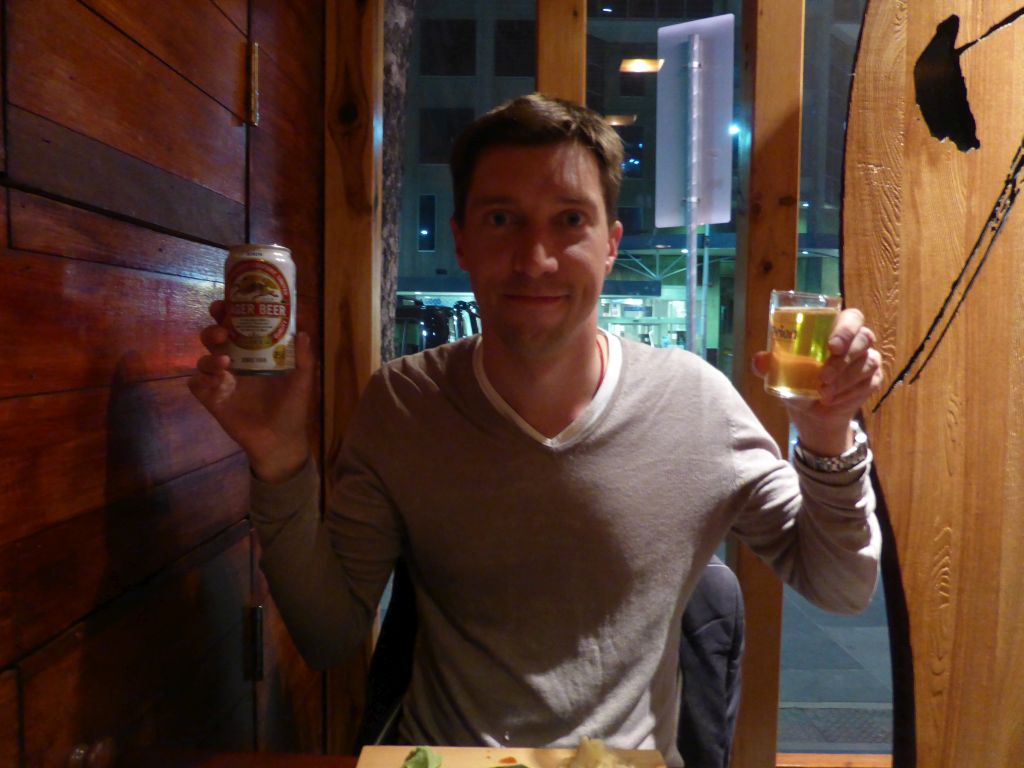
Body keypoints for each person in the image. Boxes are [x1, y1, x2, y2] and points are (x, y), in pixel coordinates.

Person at [189, 94, 883, 767]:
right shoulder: (403, 404)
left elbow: (840, 585)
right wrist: (279, 462)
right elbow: (327, 632)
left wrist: (826, 439)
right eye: (501, 219)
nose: (536, 259)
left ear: (611, 244)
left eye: (569, 220)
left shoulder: (695, 402)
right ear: (460, 238)